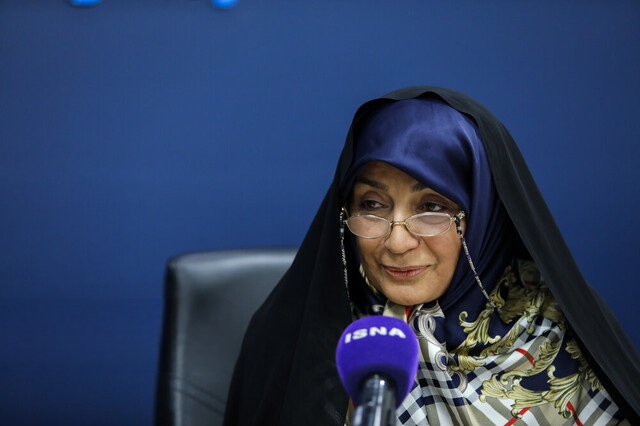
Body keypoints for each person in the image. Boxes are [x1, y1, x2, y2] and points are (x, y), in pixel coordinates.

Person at [224, 86, 639, 425]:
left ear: (482, 217)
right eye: (372, 205)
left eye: (433, 207)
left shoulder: (557, 334)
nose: (397, 242)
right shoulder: (300, 338)